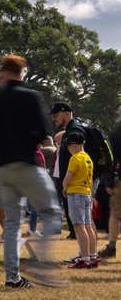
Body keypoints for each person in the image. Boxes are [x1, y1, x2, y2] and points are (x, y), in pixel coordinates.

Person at [0, 54, 63, 289]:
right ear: (21, 72)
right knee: (52, 213)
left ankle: (12, 277)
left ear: (3, 72)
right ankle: (41, 264)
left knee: (13, 223)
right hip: (26, 164)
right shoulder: (31, 97)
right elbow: (42, 131)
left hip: (3, 169)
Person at [62, 132, 97, 268]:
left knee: (78, 226)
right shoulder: (88, 159)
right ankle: (93, 256)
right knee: (88, 226)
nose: (69, 150)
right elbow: (91, 178)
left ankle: (84, 258)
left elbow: (67, 177)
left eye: (69, 147)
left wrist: (64, 188)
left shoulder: (75, 158)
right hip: (86, 193)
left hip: (75, 194)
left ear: (74, 145)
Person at [51, 102, 86, 241]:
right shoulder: (69, 132)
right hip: (70, 181)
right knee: (76, 220)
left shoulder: (75, 131)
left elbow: (79, 159)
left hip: (75, 183)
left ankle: (85, 254)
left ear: (66, 113)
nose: (54, 119)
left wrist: (68, 180)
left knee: (81, 222)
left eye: (56, 115)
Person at [98, 112, 121, 258]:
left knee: (115, 215)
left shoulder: (116, 133)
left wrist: (108, 180)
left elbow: (109, 159)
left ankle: (112, 247)